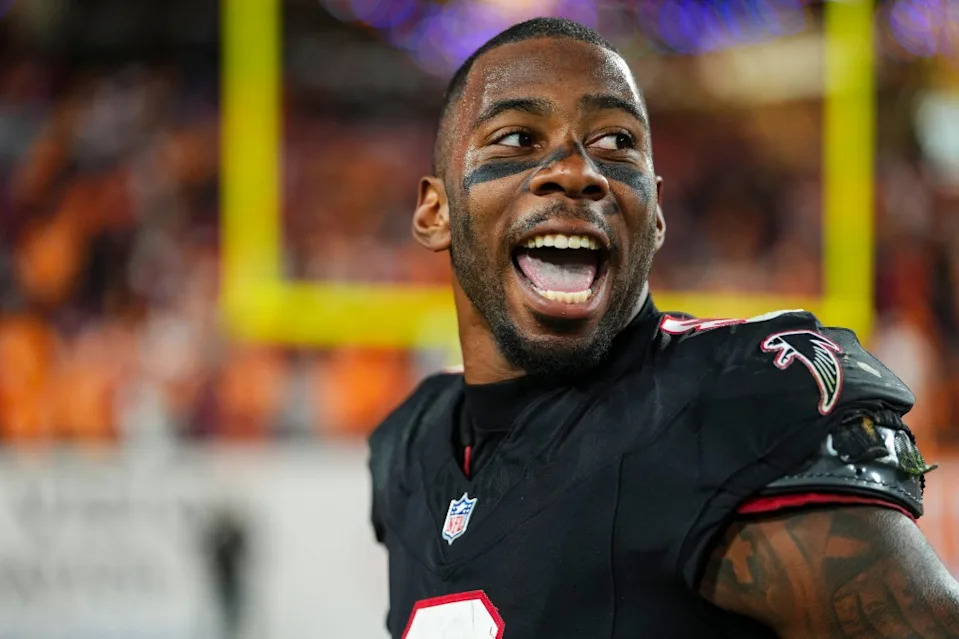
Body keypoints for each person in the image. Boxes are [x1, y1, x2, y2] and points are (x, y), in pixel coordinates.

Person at [368, 17, 959, 638]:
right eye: (516, 138)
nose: (576, 169)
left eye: (615, 141)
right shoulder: (412, 448)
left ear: (654, 214)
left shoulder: (722, 407)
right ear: (435, 213)